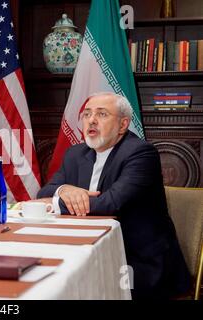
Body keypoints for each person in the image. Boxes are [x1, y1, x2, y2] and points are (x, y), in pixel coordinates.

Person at [37, 92, 190, 300]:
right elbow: (44, 191)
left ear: (122, 124)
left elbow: (111, 203)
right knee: (47, 282)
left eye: (102, 114)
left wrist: (55, 203)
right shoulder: (75, 154)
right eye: (87, 114)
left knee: (84, 290)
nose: (91, 120)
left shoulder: (141, 153)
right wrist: (64, 190)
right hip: (86, 253)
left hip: (137, 262)